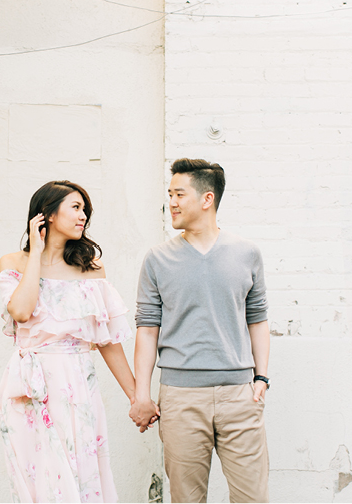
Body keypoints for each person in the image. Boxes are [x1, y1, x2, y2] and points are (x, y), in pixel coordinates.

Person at [129, 158, 271, 503]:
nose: (172, 202)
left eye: (179, 194)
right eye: (170, 194)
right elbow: (147, 330)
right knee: (186, 499)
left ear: (207, 199)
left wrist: (261, 379)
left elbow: (258, 318)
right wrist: (141, 394)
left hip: (239, 396)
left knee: (253, 498)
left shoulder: (247, 253)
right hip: (180, 398)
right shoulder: (157, 259)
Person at [0, 180, 142, 503]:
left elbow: (106, 341)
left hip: (77, 384)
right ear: (46, 214)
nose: (83, 217)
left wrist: (136, 397)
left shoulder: (90, 269)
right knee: (40, 482)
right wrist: (36, 252)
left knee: (82, 476)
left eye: (84, 211)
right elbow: (21, 311)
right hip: (29, 387)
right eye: (75, 208)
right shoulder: (14, 263)